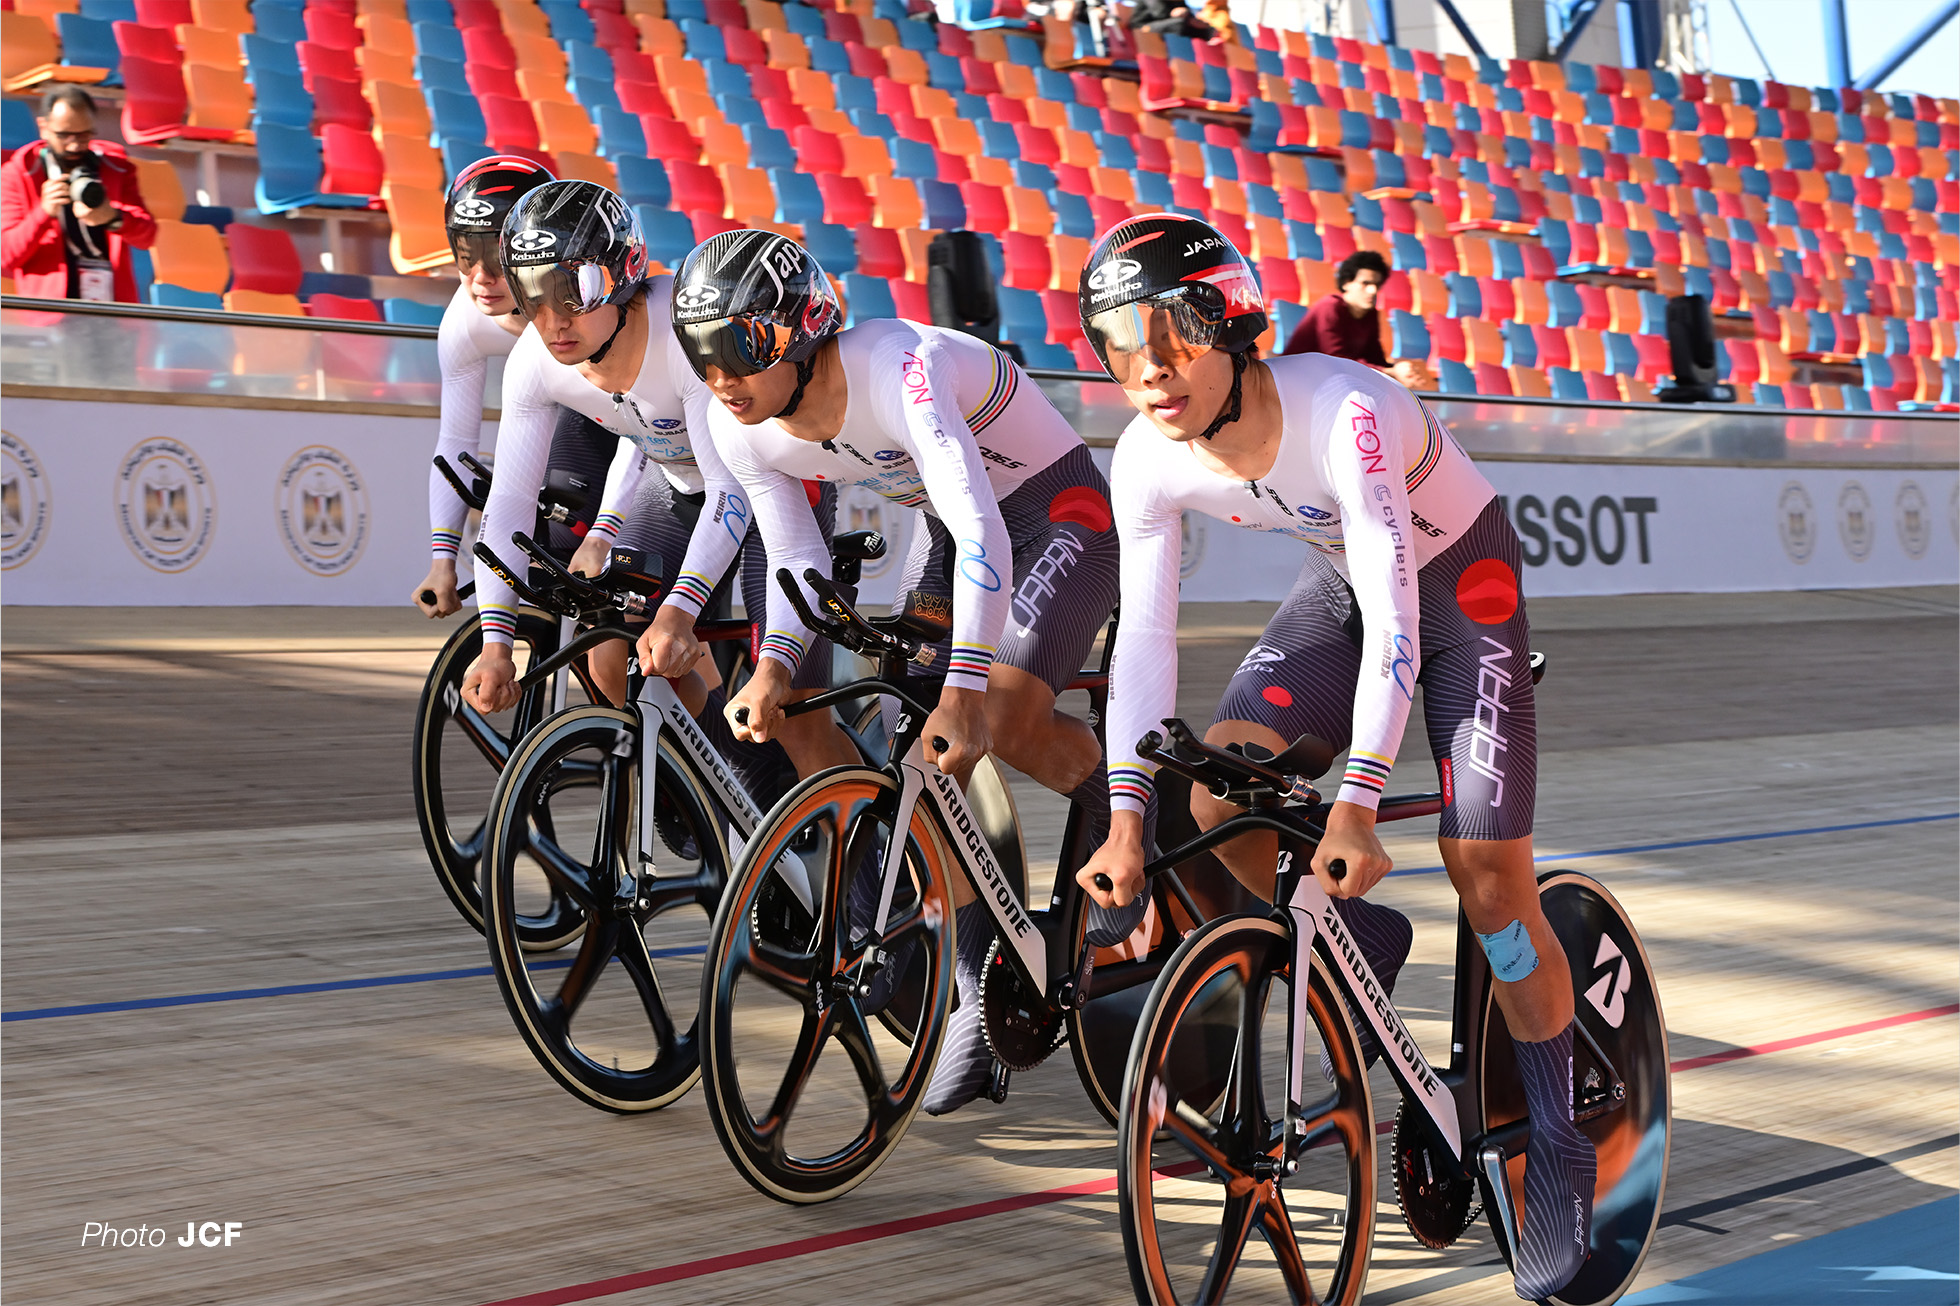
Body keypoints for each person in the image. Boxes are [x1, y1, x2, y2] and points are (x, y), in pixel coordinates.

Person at [1073, 214, 1593, 1303]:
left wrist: (1355, 802)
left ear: (1235, 324)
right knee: (1213, 791)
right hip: (1341, 589)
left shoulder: (1344, 411)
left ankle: (1554, 1136)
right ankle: (1356, 939)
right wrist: (1127, 817)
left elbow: (1403, 621)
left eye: (1171, 335)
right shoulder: (1142, 457)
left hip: (1459, 593)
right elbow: (1145, 640)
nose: (1150, 371)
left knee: (1489, 878)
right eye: (1120, 345)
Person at [668, 228, 1131, 1115]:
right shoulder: (747, 429)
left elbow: (987, 529)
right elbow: (795, 552)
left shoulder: (898, 367)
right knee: (918, 743)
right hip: (961, 538)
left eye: (739, 349)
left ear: (801, 331)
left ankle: (1122, 823)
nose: (720, 378)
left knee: (996, 713)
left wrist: (963, 689)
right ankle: (976, 979)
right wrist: (771, 667)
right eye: (701, 353)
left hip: (1060, 521)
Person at [458, 183, 825, 799]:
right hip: (682, 486)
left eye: (573, 292)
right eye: (533, 295)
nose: (553, 321)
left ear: (623, 275)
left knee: (796, 717)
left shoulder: (680, 340)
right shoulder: (533, 360)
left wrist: (680, 611)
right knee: (610, 648)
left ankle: (850, 867)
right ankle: (732, 791)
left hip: (773, 493)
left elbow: (732, 493)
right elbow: (510, 505)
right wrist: (497, 640)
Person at [411, 156, 627, 625]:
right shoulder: (463, 323)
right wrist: (442, 561)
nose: (481, 277)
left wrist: (604, 531)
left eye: (497, 254)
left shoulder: (589, 306)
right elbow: (455, 443)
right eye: (466, 255)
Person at [1, 87, 155, 303]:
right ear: (44, 128)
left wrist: (113, 218)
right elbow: (5, 258)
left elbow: (148, 235)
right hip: (51, 313)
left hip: (113, 309)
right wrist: (43, 214)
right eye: (64, 135)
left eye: (84, 135)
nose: (74, 145)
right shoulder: (18, 174)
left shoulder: (115, 168)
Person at [1283, 249, 1434, 390]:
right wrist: (1392, 373)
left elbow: (1375, 358)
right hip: (1298, 383)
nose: (1373, 291)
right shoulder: (1329, 307)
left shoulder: (1370, 314)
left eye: (1377, 285)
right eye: (1365, 283)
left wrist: (1402, 370)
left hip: (1329, 383)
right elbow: (1335, 359)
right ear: (1346, 283)